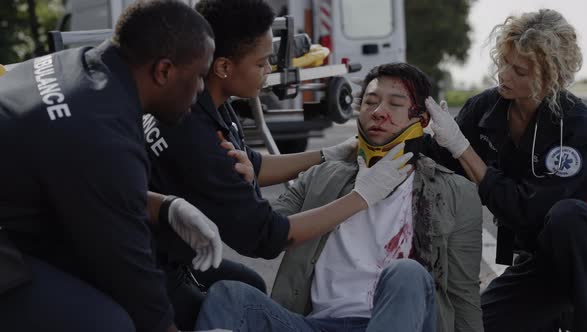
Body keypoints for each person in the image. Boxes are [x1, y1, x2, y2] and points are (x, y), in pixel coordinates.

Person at [146, 0, 400, 328]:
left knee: (249, 284)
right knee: (233, 308)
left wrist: (329, 153)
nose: (269, 71)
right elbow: (269, 237)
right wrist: (361, 198)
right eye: (263, 63)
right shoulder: (197, 139)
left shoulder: (202, 98)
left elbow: (253, 164)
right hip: (149, 268)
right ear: (223, 66)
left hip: (167, 247)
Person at [195, 63, 484, 332]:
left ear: (422, 120)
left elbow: (463, 296)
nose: (379, 112)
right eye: (370, 102)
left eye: (395, 104)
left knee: (407, 273)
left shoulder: (455, 192)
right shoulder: (321, 175)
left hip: (395, 321)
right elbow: (264, 231)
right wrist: (243, 185)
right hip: (317, 324)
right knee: (230, 294)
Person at [0, 1, 221, 331]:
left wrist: (164, 207)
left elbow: (81, 178)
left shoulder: (75, 67)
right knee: (110, 323)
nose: (202, 88)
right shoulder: (102, 131)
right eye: (201, 76)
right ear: (163, 71)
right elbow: (129, 272)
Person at [423, 9, 587, 331]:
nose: (504, 75)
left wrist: (464, 150)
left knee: (568, 217)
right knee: (478, 325)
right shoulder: (484, 109)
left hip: (583, 259)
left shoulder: (578, 128)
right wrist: (396, 130)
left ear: (551, 75)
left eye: (520, 71)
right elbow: (441, 163)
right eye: (503, 63)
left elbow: (530, 211)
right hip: (540, 263)